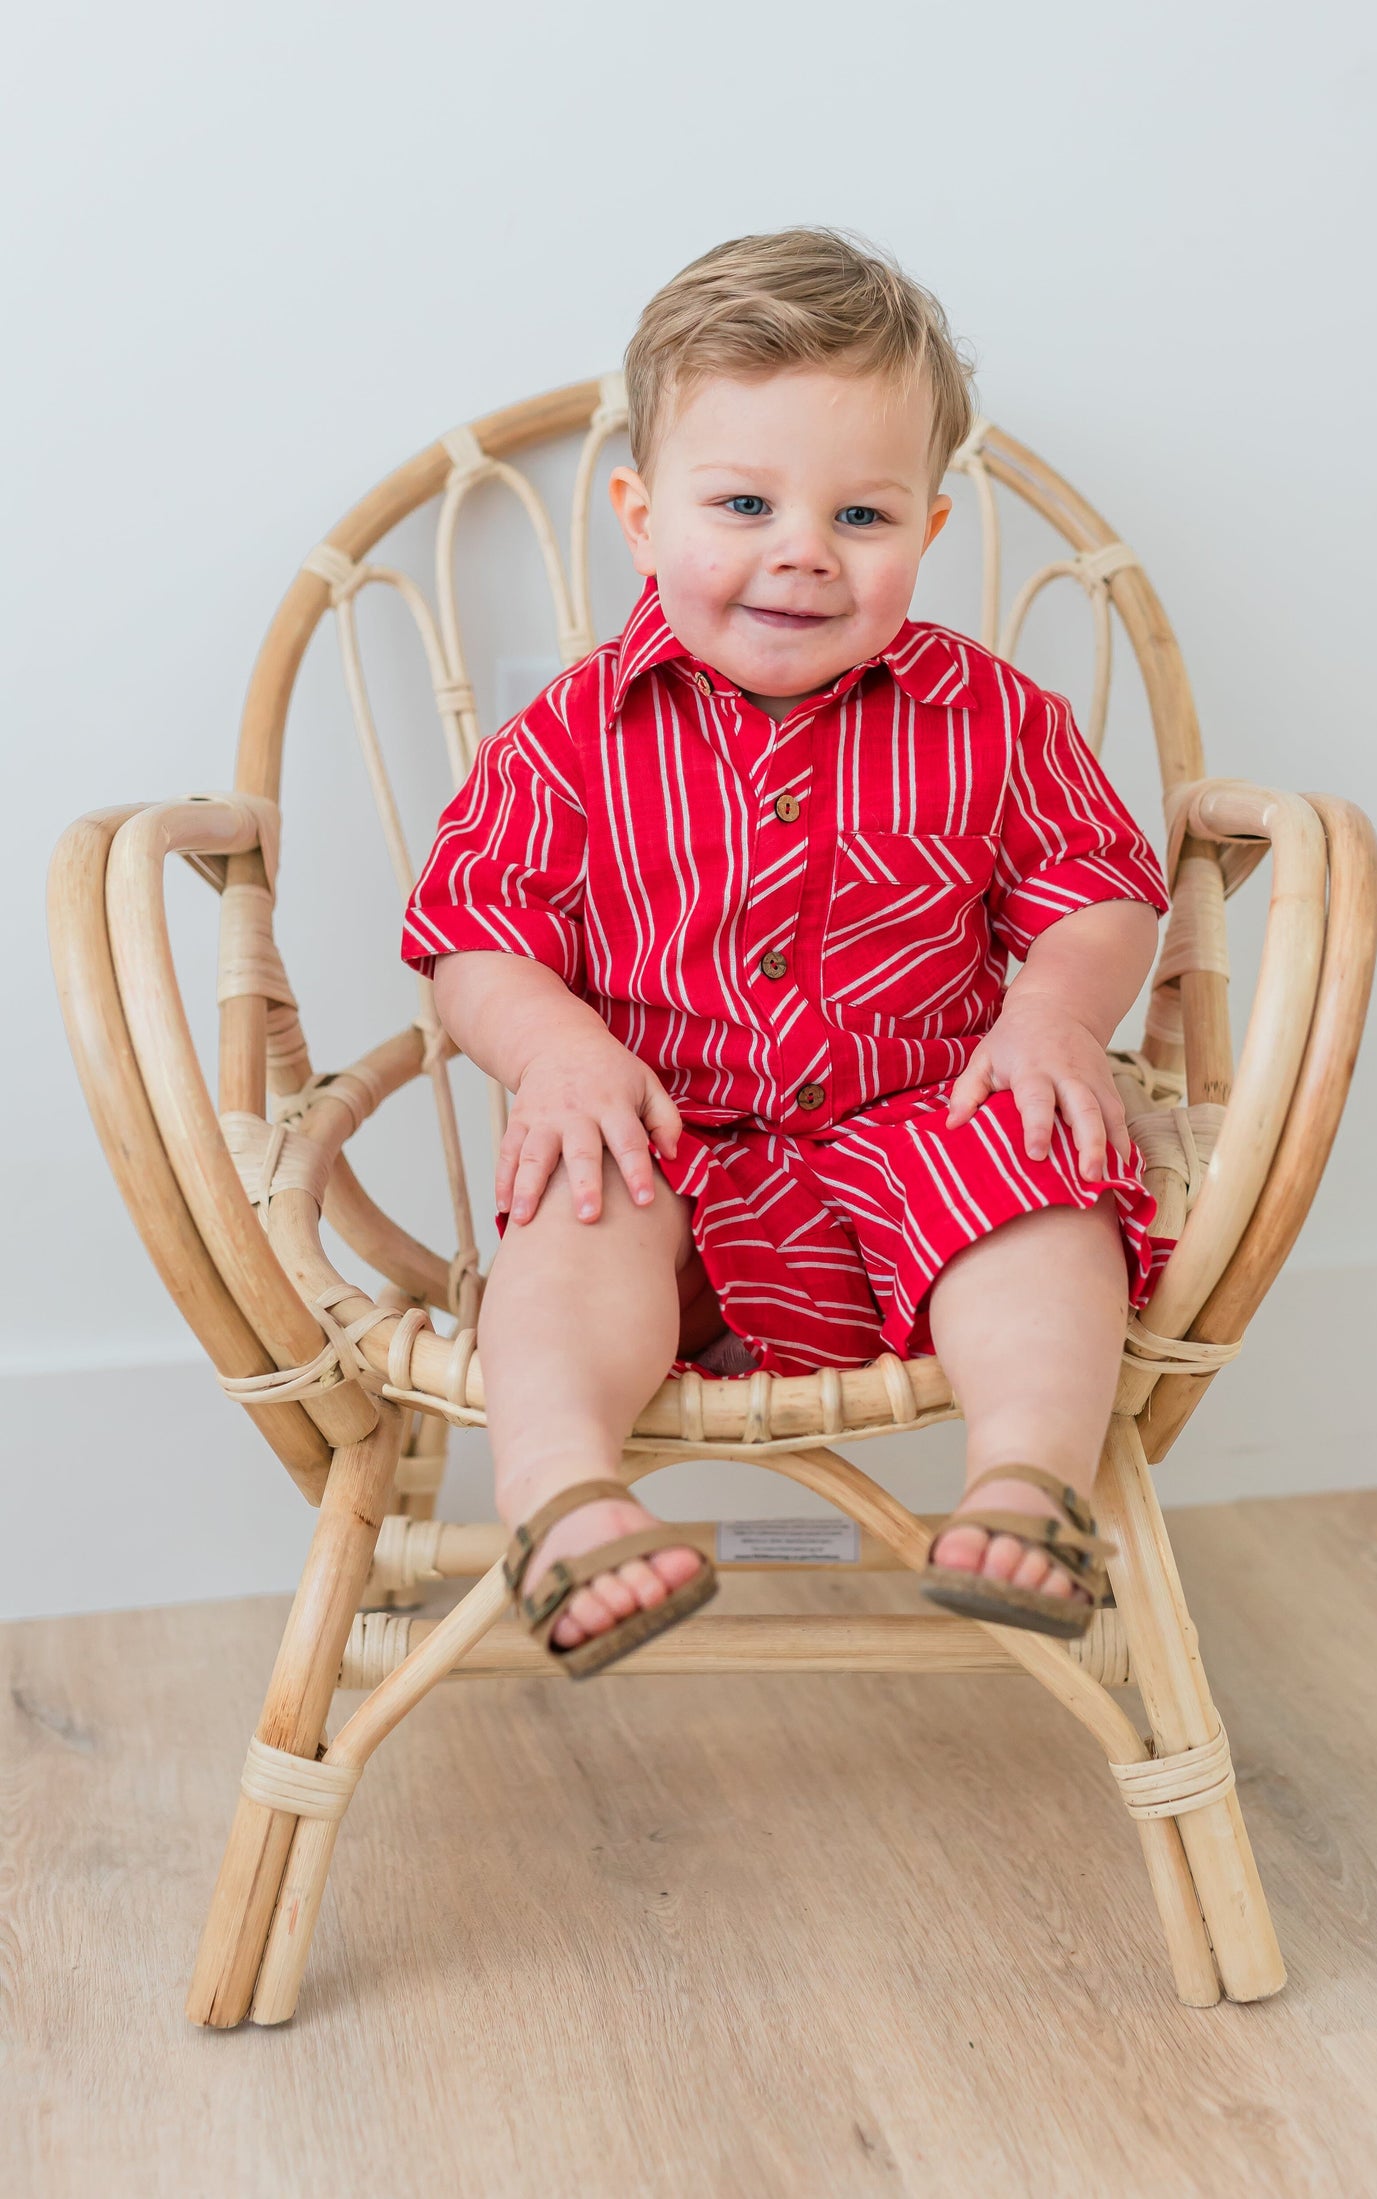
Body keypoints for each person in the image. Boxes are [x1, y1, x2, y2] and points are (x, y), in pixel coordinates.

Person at [402, 227, 1170, 1676]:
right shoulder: (570, 737)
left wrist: (1054, 1014)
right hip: (666, 1147)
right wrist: (559, 1054)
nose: (802, 552)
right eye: (743, 502)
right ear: (638, 515)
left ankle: (1026, 1483)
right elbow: (472, 935)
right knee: (572, 1217)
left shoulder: (992, 719)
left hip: (920, 1141)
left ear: (928, 532)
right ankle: (560, 1499)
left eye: (861, 517)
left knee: (1047, 1193)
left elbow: (1094, 888)